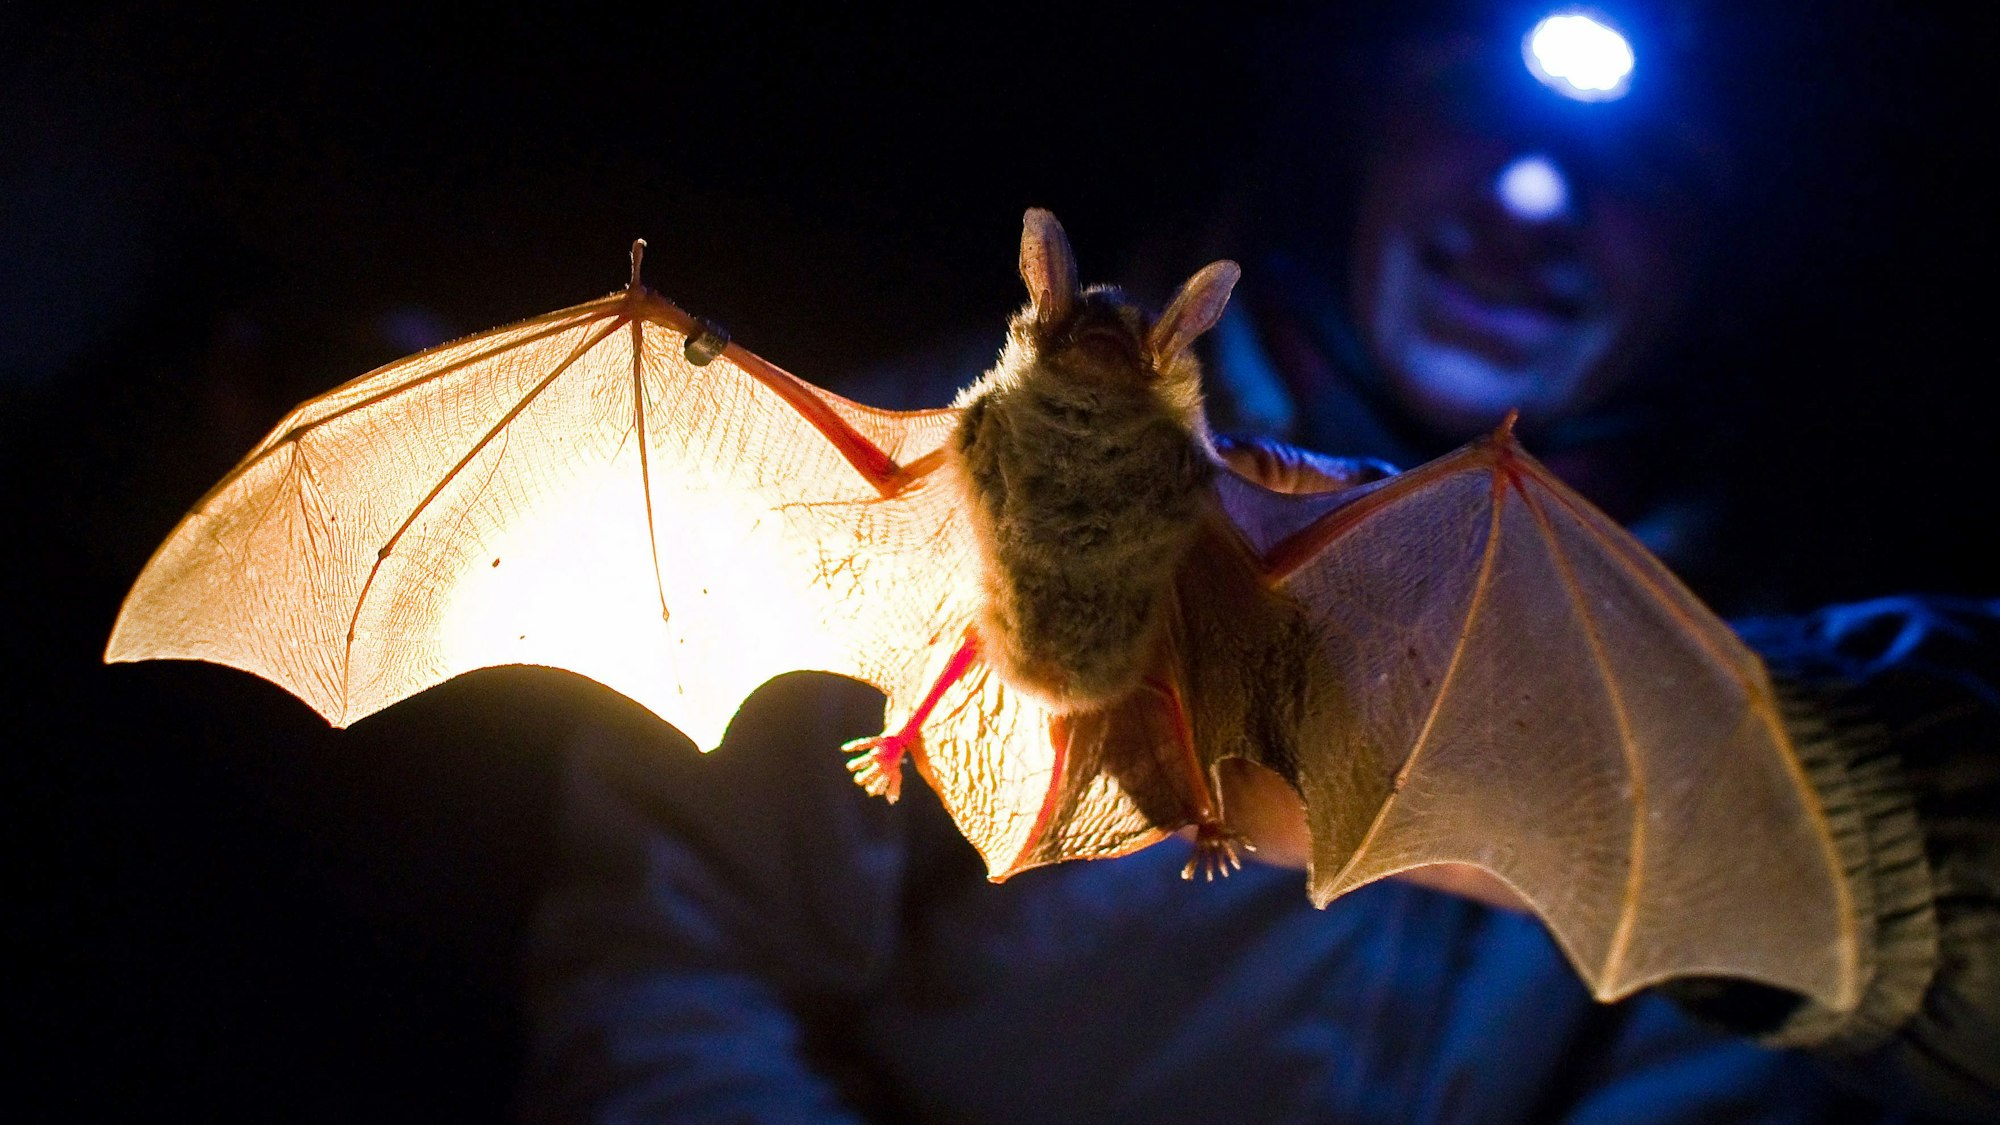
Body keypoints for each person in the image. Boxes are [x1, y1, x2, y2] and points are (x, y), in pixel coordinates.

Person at [518, 7, 1998, 1121]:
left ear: (1718, 237)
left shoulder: (1712, 636)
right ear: (1362, 141)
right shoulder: (976, 477)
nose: (1534, 199)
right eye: (1471, 113)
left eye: (1643, 168)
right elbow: (662, 964)